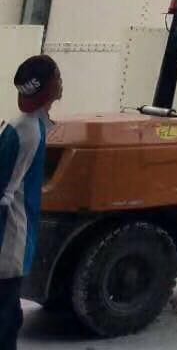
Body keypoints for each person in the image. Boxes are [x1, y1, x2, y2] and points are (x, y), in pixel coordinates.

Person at [1, 56, 62, 350]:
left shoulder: (31, 126)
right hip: (9, 241)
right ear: (51, 87)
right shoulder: (25, 132)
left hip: (16, 237)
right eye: (58, 78)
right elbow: (4, 194)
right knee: (6, 318)